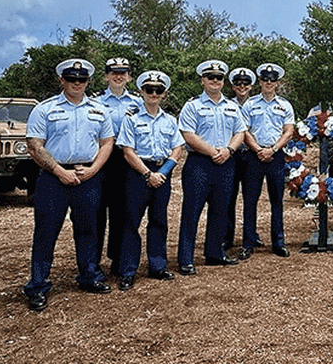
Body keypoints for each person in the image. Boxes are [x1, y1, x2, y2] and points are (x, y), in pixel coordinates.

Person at [23, 59, 115, 311]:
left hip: (88, 175)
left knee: (89, 230)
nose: (77, 83)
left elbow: (107, 141)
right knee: (46, 232)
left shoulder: (99, 109)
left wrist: (94, 169)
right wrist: (59, 171)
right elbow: (35, 145)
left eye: (82, 80)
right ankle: (38, 285)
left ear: (87, 82)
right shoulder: (45, 109)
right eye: (72, 79)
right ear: (61, 80)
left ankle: (88, 276)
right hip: (53, 178)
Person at [116, 71, 185, 290]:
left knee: (159, 221)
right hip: (138, 173)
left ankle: (158, 266)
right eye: (149, 90)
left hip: (162, 173)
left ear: (164, 94)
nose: (153, 94)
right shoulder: (131, 119)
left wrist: (162, 172)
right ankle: (127, 271)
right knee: (131, 223)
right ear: (141, 92)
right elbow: (127, 151)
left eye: (158, 90)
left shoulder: (170, 120)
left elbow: (177, 149)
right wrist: (148, 174)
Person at [176, 60, 246, 275]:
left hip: (225, 163)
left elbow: (240, 132)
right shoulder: (193, 106)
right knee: (192, 211)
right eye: (210, 77)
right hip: (199, 164)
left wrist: (229, 151)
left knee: (221, 210)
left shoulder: (232, 106)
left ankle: (214, 253)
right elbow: (187, 134)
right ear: (203, 80)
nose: (215, 81)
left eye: (218, 78)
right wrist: (212, 151)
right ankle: (186, 258)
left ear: (223, 81)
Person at [242, 63, 295, 258]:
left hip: (276, 155)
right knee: (250, 201)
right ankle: (247, 243)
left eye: (272, 80)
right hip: (254, 156)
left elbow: (288, 131)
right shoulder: (250, 104)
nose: (269, 83)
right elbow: (244, 131)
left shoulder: (285, 105)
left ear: (277, 83)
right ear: (260, 82)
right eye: (265, 80)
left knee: (277, 201)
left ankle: (278, 242)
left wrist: (272, 149)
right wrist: (258, 150)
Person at [95, 57, 141, 276]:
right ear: (106, 76)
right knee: (96, 212)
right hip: (101, 160)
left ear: (129, 77)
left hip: (127, 160)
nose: (118, 76)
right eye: (113, 72)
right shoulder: (94, 102)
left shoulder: (138, 103)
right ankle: (92, 262)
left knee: (122, 211)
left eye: (123, 72)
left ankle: (118, 258)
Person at [224, 67, 261, 256]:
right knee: (229, 197)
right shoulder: (226, 105)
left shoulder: (257, 104)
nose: (242, 87)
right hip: (231, 155)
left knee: (251, 198)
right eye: (238, 84)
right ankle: (226, 236)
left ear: (251, 86)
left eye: (246, 83)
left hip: (251, 155)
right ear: (233, 86)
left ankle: (250, 235)